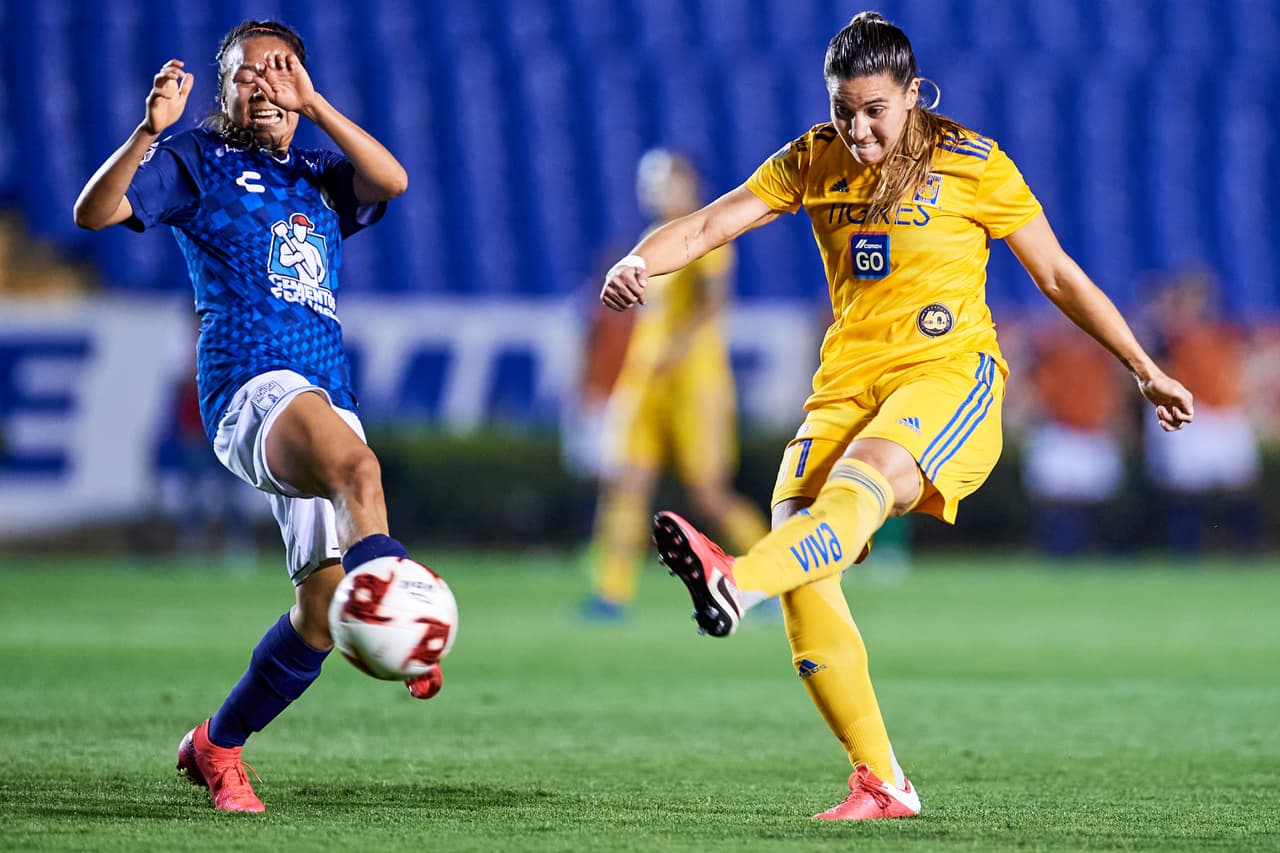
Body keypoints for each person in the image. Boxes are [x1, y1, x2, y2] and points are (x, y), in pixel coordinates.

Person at [600, 12, 1194, 820]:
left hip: (948, 377)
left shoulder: (973, 162)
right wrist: (640, 259)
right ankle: (882, 779)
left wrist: (1145, 369)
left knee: (857, 488)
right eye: (845, 109)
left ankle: (735, 581)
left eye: (875, 108)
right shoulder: (815, 158)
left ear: (913, 95)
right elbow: (711, 223)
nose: (859, 127)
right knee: (803, 549)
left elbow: (1057, 274)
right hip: (845, 385)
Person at [73, 20, 441, 814]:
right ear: (227, 92)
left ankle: (218, 743)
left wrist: (319, 104)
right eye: (249, 73)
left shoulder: (313, 174)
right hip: (249, 385)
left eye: (282, 70)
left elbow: (394, 180)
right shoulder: (197, 159)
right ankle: (401, 603)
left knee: (319, 610)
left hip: (323, 392)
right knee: (361, 470)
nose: (266, 83)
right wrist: (147, 131)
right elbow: (94, 215)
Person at [584, 149, 769, 618]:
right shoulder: (653, 240)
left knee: (709, 495)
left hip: (695, 385)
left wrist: (678, 349)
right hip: (646, 380)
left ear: (690, 185)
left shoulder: (708, 235)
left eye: (666, 180)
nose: (655, 190)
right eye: (651, 181)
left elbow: (713, 303)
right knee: (626, 486)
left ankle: (775, 576)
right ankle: (610, 593)